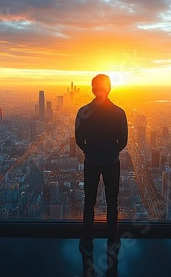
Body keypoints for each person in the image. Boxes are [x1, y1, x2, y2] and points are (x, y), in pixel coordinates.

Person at [75, 74, 128, 258]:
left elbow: (79, 139)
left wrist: (90, 151)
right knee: (112, 202)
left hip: (91, 163)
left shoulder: (83, 112)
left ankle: (87, 239)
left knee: (89, 202)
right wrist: (111, 151)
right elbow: (123, 141)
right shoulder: (119, 112)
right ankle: (112, 238)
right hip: (112, 163)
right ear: (110, 88)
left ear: (92, 88)